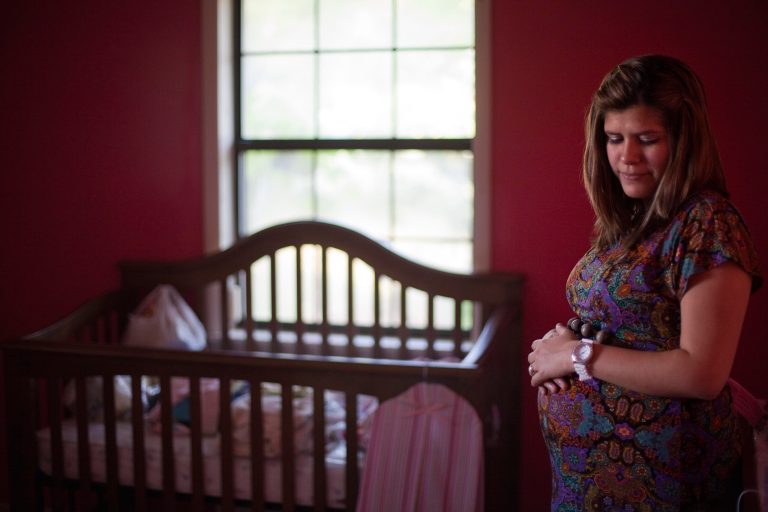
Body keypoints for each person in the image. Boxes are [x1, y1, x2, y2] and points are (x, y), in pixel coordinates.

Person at [527, 54, 762, 511]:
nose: (626, 156)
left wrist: (578, 356)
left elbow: (701, 374)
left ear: (684, 140)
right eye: (614, 138)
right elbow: (626, 330)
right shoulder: (635, 219)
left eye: (647, 139)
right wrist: (563, 346)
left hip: (665, 482)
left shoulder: (707, 223)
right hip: (590, 485)